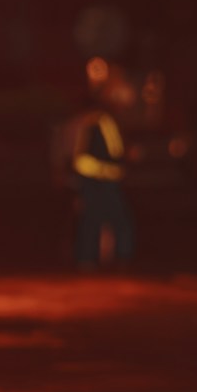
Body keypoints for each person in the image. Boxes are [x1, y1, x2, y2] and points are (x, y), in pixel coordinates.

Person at [70, 97, 135, 270]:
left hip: (102, 178)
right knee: (99, 219)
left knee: (103, 219)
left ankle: (109, 258)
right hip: (98, 180)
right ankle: (93, 258)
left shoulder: (101, 122)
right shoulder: (97, 122)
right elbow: (109, 153)